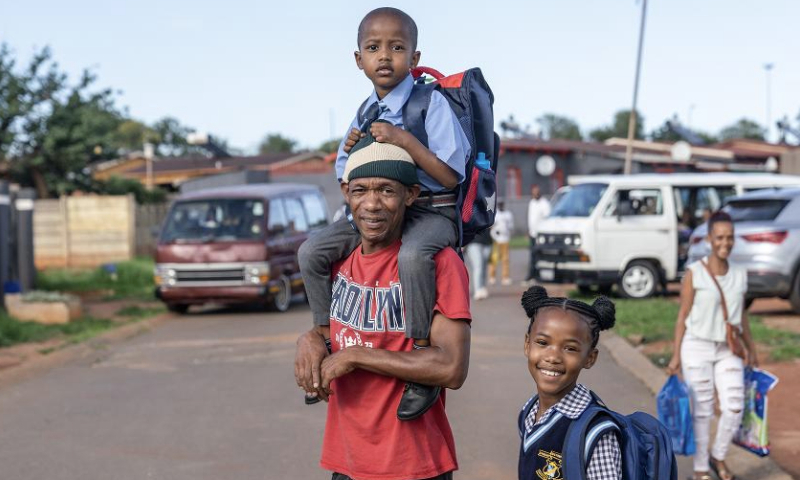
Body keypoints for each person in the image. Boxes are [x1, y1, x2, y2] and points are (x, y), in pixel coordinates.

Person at [297, 6, 470, 419]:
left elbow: (450, 176)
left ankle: (419, 360)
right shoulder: (364, 111)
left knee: (412, 257)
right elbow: (346, 175)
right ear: (359, 60)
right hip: (379, 212)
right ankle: (327, 338)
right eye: (374, 48)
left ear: (414, 57)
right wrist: (354, 147)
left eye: (396, 47)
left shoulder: (431, 105)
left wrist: (403, 140)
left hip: (430, 212)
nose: (385, 56)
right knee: (310, 253)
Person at [294, 136, 472, 480]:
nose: (372, 204)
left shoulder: (438, 263)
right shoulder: (337, 261)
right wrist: (312, 339)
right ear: (346, 194)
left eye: (386, 191)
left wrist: (356, 356)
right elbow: (334, 335)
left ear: (411, 195)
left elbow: (451, 368)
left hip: (413, 466)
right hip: (346, 462)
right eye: (360, 191)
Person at [667, 211, 758, 480]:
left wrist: (751, 348)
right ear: (709, 239)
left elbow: (741, 315)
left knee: (734, 407)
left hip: (728, 349)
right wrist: (675, 356)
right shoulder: (695, 273)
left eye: (730, 238)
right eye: (719, 237)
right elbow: (682, 315)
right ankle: (700, 469)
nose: (725, 243)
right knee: (703, 411)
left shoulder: (740, 275)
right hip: (696, 347)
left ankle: (718, 455)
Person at [517, 286, 621, 480]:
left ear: (590, 358)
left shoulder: (595, 432)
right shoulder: (529, 410)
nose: (553, 357)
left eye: (570, 348)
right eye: (542, 342)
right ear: (527, 344)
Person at [523, 185, 551, 287]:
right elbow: (530, 218)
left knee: (538, 255)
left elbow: (547, 218)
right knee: (533, 255)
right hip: (533, 234)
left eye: (537, 192)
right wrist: (529, 230)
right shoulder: (532, 203)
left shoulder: (544, 204)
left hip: (541, 235)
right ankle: (533, 275)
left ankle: (536, 276)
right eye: (534, 192)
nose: (535, 194)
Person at [488, 199, 514, 286]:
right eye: (499, 204)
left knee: (505, 259)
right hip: (496, 239)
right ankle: (492, 277)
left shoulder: (508, 214)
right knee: (494, 259)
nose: (500, 205)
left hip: (505, 239)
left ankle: (505, 277)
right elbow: (492, 227)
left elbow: (510, 226)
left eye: (502, 204)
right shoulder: (495, 215)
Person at [465, 228, 492, 300]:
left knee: (484, 266)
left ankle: (482, 287)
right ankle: (478, 289)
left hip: (487, 241)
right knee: (478, 266)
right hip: (473, 242)